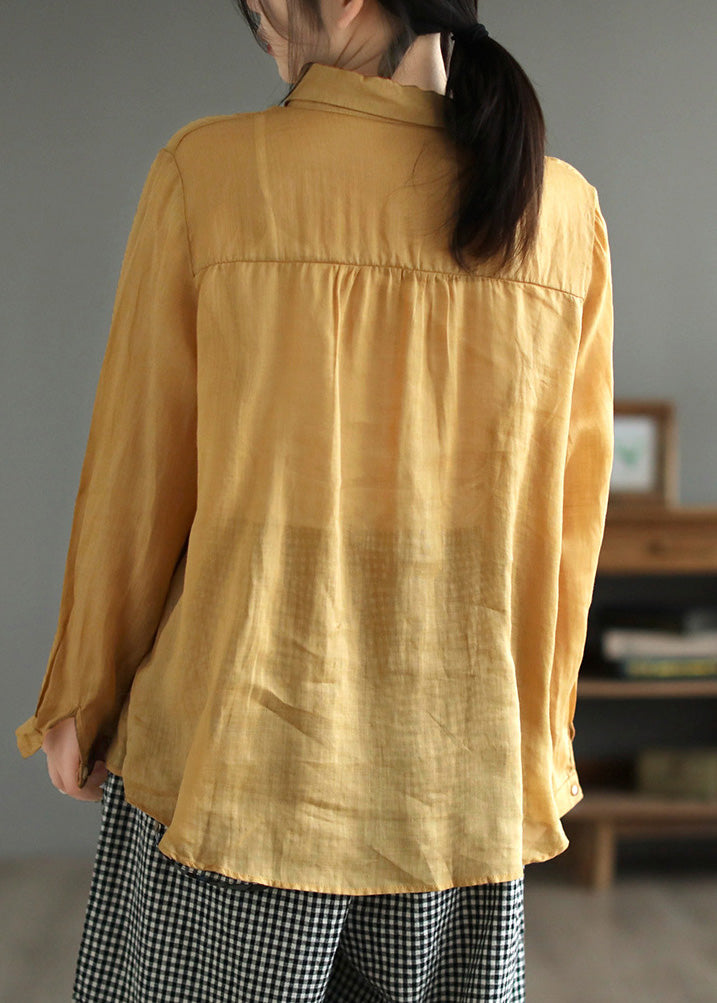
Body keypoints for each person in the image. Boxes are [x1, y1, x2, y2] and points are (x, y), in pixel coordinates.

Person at [16, 0, 614, 999]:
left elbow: (141, 465)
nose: (267, 45)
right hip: (456, 781)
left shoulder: (210, 173)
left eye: (262, 18)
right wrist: (535, 738)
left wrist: (84, 688)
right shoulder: (562, 213)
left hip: (240, 764)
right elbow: (565, 528)